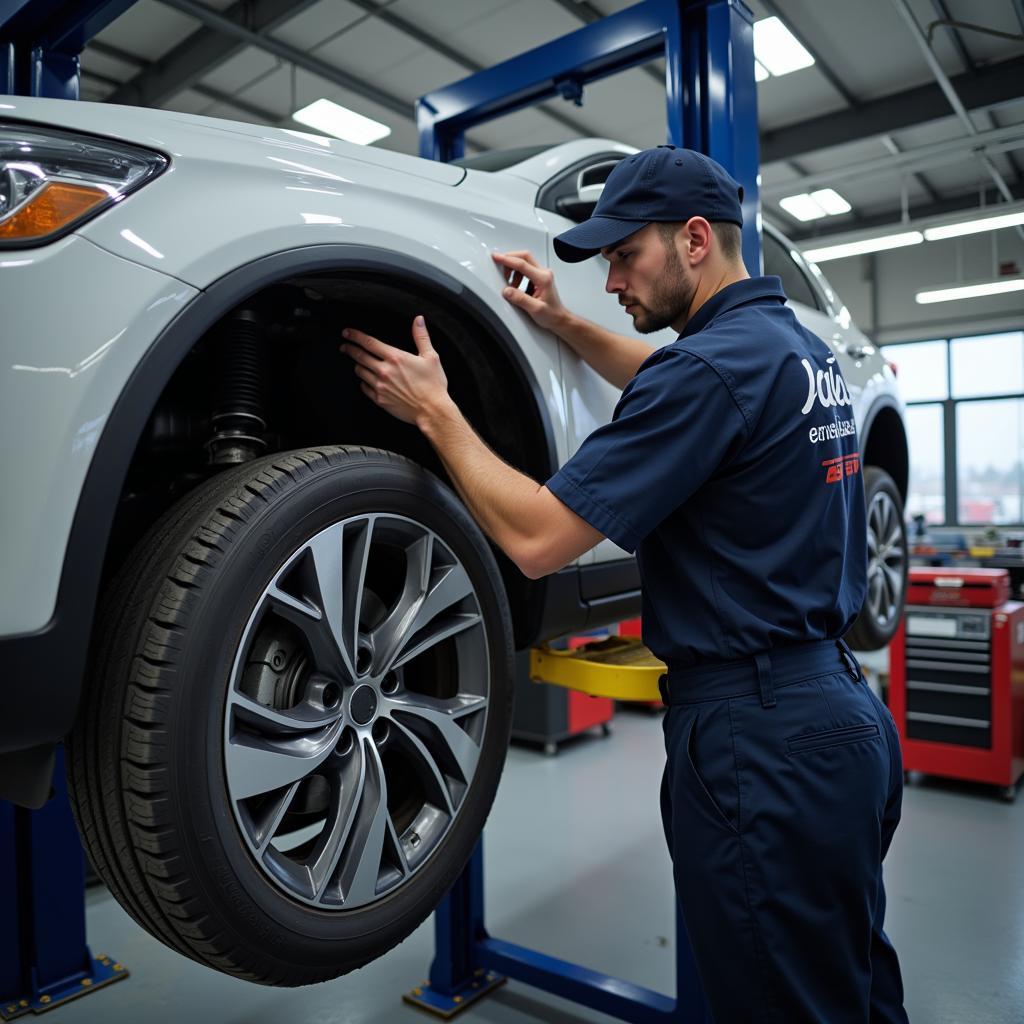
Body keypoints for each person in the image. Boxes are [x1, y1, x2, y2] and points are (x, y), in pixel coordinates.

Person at [340, 145, 908, 1023]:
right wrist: (565, 327)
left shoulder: (708, 373)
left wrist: (437, 414)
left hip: (759, 747)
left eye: (623, 257)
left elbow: (535, 541)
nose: (612, 283)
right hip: (841, 723)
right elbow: (674, 385)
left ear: (691, 240)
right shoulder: (794, 351)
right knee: (851, 990)